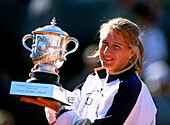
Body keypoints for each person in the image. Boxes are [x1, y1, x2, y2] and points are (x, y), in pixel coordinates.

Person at [20, 17, 157, 125]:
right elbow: (67, 107)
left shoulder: (130, 86)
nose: (107, 51)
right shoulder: (93, 80)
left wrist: (59, 110)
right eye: (104, 43)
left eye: (116, 46)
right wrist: (47, 76)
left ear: (131, 52)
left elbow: (65, 113)